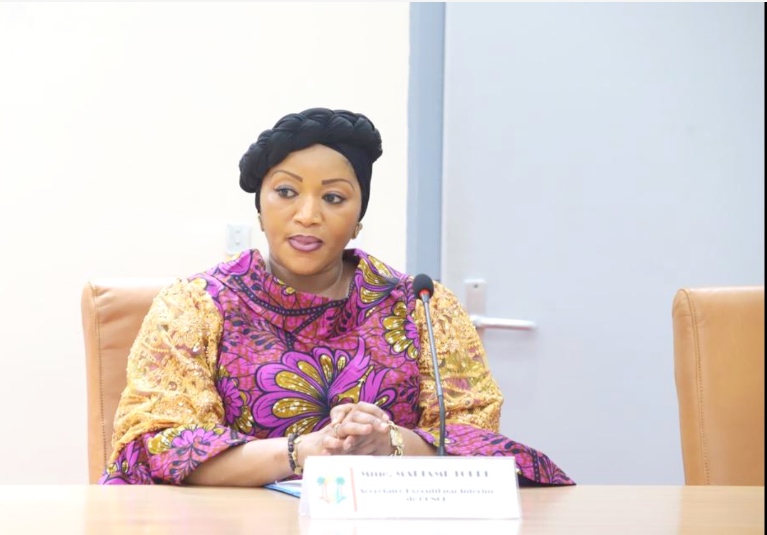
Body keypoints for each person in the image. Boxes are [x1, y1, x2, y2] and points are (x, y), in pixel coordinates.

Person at [99, 107, 574, 487]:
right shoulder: (196, 306)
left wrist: (388, 443)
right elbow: (157, 446)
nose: (308, 215)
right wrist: (303, 452)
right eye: (286, 191)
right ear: (260, 209)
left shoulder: (421, 307)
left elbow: (473, 439)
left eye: (333, 198)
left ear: (358, 217)